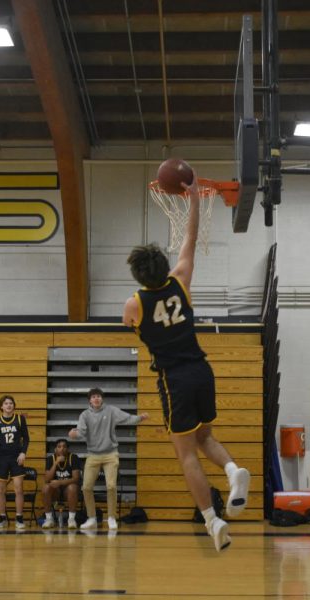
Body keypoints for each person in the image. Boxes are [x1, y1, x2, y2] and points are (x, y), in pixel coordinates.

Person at [122, 173, 251, 551]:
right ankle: (231, 470)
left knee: (186, 455)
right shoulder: (181, 279)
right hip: (202, 369)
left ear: (138, 275)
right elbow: (190, 238)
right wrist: (193, 197)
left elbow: (130, 325)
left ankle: (212, 520)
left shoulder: (133, 305)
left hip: (173, 379)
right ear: (164, 266)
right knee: (205, 435)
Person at [68, 388, 148, 531]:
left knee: (111, 486)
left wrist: (139, 418)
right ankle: (91, 518)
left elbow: (126, 417)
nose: (96, 399)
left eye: (98, 396)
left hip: (111, 454)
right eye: (93, 397)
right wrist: (74, 434)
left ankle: (111, 517)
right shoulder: (85, 415)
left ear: (102, 398)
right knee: (86, 487)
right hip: (92, 455)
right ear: (90, 400)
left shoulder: (111, 411)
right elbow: (81, 431)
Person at [0, 395, 29, 530]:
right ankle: (2, 517)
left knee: (18, 489)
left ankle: (19, 517)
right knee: (0, 490)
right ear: (1, 407)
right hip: (2, 458)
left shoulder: (19, 419)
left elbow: (27, 438)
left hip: (16, 457)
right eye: (6, 403)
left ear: (14, 405)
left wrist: (23, 452)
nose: (8, 405)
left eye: (11, 403)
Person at [41, 438, 81, 529]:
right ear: (55, 449)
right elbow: (47, 479)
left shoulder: (73, 457)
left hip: (69, 492)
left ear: (68, 449)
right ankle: (49, 519)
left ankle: (71, 519)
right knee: (45, 488)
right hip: (56, 491)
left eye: (64, 447)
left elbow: (76, 479)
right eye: (59, 447)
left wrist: (60, 482)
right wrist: (56, 463)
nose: (62, 449)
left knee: (72, 487)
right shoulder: (51, 458)